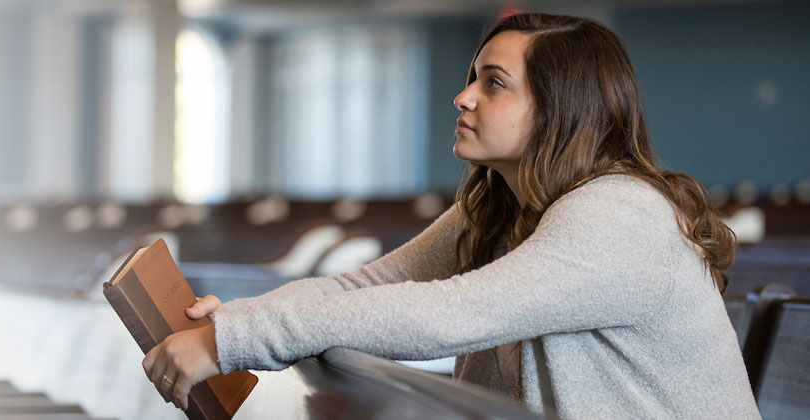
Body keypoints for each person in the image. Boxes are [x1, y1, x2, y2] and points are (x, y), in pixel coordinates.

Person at [141, 12, 761, 419]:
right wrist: (245, 323)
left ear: (560, 109)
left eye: (494, 83)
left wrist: (235, 340)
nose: (462, 96)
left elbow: (452, 314)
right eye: (473, 78)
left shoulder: (620, 213)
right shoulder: (497, 206)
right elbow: (371, 285)